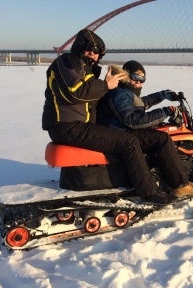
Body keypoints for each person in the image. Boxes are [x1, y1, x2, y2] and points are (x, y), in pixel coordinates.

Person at [42, 29, 179, 205]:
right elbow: (75, 92)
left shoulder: (84, 68)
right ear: (79, 47)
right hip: (67, 126)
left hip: (76, 125)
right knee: (128, 141)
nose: (93, 54)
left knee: (126, 139)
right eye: (89, 49)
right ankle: (148, 191)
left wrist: (159, 96)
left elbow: (130, 103)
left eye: (97, 52)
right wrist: (106, 85)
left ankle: (139, 181)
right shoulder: (67, 62)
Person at [97, 60, 193, 198]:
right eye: (136, 77)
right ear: (126, 75)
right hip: (120, 133)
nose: (139, 82)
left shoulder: (124, 91)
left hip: (119, 129)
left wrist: (163, 95)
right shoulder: (121, 94)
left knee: (157, 131)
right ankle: (180, 185)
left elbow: (140, 104)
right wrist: (166, 112)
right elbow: (132, 120)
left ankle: (162, 174)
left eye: (142, 79)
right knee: (163, 138)